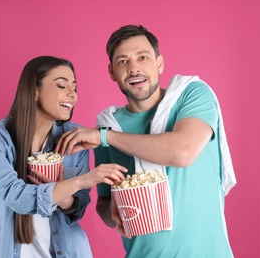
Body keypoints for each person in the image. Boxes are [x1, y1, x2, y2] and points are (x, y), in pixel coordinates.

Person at [56, 25, 237, 257]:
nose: (133, 68)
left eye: (142, 57)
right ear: (112, 72)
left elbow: (182, 152)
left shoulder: (192, 94)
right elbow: (104, 202)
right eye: (123, 61)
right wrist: (112, 210)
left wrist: (105, 137)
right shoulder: (108, 123)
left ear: (159, 63)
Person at [0, 56, 127, 258]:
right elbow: (17, 198)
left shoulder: (75, 137)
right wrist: (82, 180)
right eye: (62, 85)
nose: (72, 95)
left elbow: (78, 207)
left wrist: (66, 199)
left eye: (74, 87)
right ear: (35, 91)